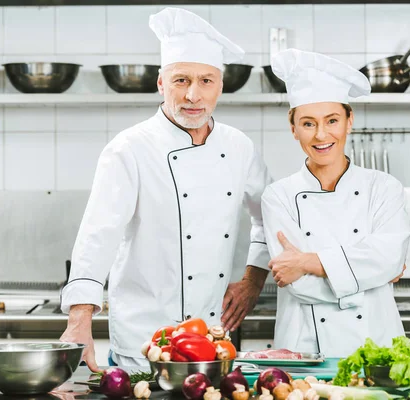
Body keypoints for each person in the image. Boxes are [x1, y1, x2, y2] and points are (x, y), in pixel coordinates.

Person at [59, 7, 271, 371]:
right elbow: (98, 235)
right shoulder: (130, 148)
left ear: (221, 86)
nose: (193, 95)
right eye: (180, 80)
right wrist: (79, 318)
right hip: (142, 346)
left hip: (211, 343)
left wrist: (253, 279)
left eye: (206, 81)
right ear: (161, 83)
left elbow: (269, 218)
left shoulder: (240, 148)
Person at [261, 49, 410, 357]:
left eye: (332, 120)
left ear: (349, 121)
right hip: (306, 349)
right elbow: (298, 286)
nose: (321, 135)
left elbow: (389, 258)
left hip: (377, 344)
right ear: (293, 128)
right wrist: (370, 277)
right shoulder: (278, 196)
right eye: (308, 123)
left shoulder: (384, 188)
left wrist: (305, 261)